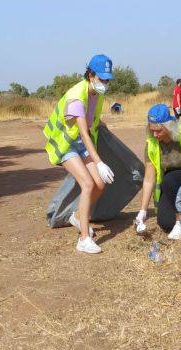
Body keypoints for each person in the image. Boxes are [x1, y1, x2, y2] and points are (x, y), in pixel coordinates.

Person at [42, 54, 115, 254]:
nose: (105, 83)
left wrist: (102, 125)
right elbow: (82, 131)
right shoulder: (76, 96)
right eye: (102, 79)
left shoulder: (97, 94)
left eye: (108, 79)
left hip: (81, 143)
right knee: (88, 184)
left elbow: (91, 122)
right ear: (91, 75)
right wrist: (99, 162)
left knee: (99, 185)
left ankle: (76, 215)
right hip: (65, 144)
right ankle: (83, 239)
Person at [134, 104, 181, 240]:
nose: (154, 134)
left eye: (158, 131)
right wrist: (143, 211)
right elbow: (149, 179)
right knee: (165, 223)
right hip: (170, 187)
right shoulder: (152, 144)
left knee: (170, 179)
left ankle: (180, 221)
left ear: (169, 126)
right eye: (151, 130)